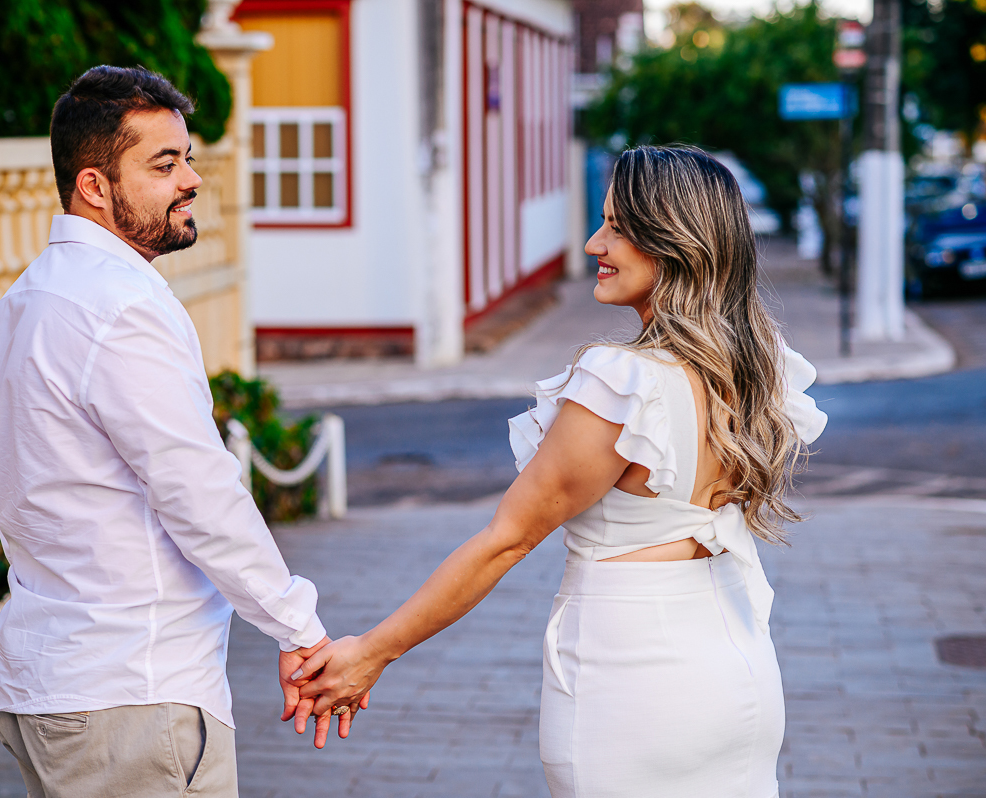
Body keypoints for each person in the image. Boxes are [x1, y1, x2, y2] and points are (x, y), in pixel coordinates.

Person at [287, 146, 828, 797]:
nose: (596, 241)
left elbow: (506, 540)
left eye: (620, 228)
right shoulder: (757, 367)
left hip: (632, 685)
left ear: (677, 241)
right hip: (734, 673)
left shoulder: (625, 382)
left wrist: (372, 652)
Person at [0, 65, 350, 798]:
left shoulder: (27, 299)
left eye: (188, 157)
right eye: (164, 163)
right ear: (93, 185)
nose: (192, 179)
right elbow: (198, 491)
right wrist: (299, 630)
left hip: (48, 683)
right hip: (132, 693)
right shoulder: (120, 307)